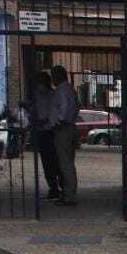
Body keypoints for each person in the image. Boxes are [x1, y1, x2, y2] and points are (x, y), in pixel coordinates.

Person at [27, 70, 62, 199]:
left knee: (57, 160)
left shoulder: (54, 94)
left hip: (52, 130)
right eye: (38, 82)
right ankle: (53, 187)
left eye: (42, 82)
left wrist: (47, 120)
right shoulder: (36, 96)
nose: (40, 85)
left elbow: (57, 111)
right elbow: (32, 111)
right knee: (46, 162)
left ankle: (62, 186)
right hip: (41, 132)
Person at [48, 64, 79, 206]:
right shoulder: (70, 89)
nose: (52, 79)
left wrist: (58, 121)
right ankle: (68, 192)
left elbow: (64, 109)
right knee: (68, 162)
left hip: (63, 128)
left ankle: (69, 195)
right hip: (69, 127)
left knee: (65, 163)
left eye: (53, 76)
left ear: (58, 76)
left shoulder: (61, 91)